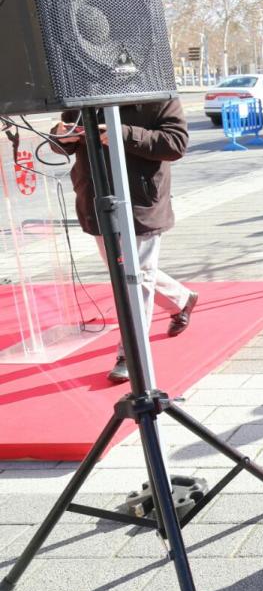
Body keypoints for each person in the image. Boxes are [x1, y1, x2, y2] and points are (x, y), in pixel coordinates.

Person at [50, 102, 196, 384]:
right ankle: (181, 298)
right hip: (95, 196)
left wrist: (122, 133)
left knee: (135, 277)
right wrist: (60, 135)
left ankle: (131, 354)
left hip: (140, 199)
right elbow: (65, 141)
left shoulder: (157, 92)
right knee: (127, 272)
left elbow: (176, 144)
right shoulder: (83, 90)